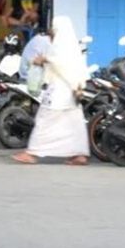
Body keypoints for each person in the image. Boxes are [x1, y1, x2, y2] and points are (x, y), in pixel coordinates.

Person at [11, 16, 89, 166]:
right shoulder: (71, 45)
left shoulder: (61, 45)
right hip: (72, 90)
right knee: (73, 124)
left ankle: (32, 152)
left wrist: (44, 60)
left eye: (53, 28)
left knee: (44, 121)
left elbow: (59, 62)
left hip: (60, 90)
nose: (51, 31)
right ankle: (79, 154)